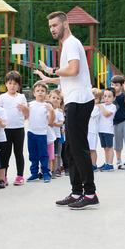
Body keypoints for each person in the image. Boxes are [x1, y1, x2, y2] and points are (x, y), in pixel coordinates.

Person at [33, 11, 99, 210]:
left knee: (79, 148)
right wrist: (49, 79)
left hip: (79, 101)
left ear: (65, 24)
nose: (53, 29)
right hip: (73, 100)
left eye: (55, 25)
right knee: (70, 148)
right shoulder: (67, 45)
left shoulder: (71, 43)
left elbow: (73, 70)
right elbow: (68, 77)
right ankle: (76, 192)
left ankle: (90, 193)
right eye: (51, 26)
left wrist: (51, 70)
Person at [0, 71, 28, 186]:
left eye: (15, 84)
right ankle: (3, 176)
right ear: (6, 84)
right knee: (6, 153)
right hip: (6, 129)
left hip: (19, 128)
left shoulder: (22, 96)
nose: (12, 86)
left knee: (18, 153)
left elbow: (26, 114)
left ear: (19, 85)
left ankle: (20, 175)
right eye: (10, 83)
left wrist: (25, 108)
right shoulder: (2, 97)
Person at [26, 82, 55, 183]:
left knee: (43, 154)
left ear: (46, 94)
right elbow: (25, 116)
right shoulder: (30, 104)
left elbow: (51, 121)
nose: (40, 93)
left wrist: (51, 111)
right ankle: (34, 174)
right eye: (38, 91)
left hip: (42, 134)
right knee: (33, 154)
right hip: (31, 133)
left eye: (42, 91)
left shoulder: (46, 106)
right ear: (34, 93)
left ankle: (45, 173)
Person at [110, 76, 125, 170]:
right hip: (116, 122)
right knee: (117, 142)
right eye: (112, 84)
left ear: (121, 86)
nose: (114, 87)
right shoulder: (111, 97)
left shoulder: (124, 95)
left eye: (116, 85)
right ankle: (118, 160)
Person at [97, 88, 117, 172]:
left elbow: (106, 114)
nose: (107, 98)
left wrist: (100, 106)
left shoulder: (113, 107)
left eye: (109, 96)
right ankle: (106, 163)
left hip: (108, 131)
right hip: (101, 130)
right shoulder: (102, 105)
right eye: (105, 96)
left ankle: (110, 164)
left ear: (114, 98)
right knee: (105, 148)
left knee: (109, 147)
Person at [48, 89, 64, 178]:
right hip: (47, 135)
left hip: (56, 136)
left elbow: (61, 123)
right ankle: (45, 170)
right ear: (49, 98)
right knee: (47, 154)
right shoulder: (46, 109)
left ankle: (54, 170)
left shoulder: (59, 112)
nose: (55, 100)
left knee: (55, 154)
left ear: (60, 101)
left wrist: (54, 124)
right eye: (53, 97)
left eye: (57, 98)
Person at [88, 88, 102, 171]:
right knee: (87, 149)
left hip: (92, 131)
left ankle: (93, 165)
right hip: (86, 130)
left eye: (96, 98)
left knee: (92, 149)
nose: (93, 100)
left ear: (100, 99)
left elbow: (89, 115)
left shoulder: (97, 108)